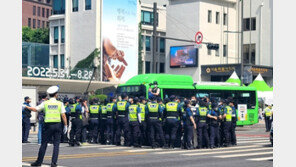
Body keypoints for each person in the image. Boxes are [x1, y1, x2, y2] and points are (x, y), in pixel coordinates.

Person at [26, 85, 68, 167]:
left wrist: (26, 106)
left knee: (44, 144)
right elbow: (63, 115)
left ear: (49, 95)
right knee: (56, 145)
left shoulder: (45, 103)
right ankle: (54, 163)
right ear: (56, 94)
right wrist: (65, 125)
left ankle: (39, 162)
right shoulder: (60, 103)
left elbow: (35, 109)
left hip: (48, 125)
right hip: (57, 125)